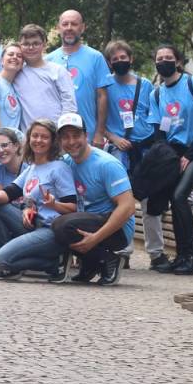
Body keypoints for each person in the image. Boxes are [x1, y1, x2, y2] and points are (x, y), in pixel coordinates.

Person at [145, 44, 193, 275]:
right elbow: (159, 131)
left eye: (168, 57)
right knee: (173, 201)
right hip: (173, 154)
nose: (163, 61)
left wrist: (190, 154)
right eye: (159, 57)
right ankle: (182, 255)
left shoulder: (192, 82)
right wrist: (167, 158)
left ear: (178, 62)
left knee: (179, 196)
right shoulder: (156, 93)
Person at [0, 118, 77, 281]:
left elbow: (73, 207)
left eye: (44, 137)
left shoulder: (59, 168)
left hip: (51, 230)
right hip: (33, 224)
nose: (38, 140)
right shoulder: (32, 167)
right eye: (35, 136)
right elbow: (11, 192)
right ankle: (6, 267)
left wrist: (54, 204)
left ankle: (54, 263)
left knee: (2, 259)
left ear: (52, 141)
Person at [53, 113, 136, 285]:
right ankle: (91, 264)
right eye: (65, 137)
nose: (71, 142)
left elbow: (128, 207)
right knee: (52, 221)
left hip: (115, 228)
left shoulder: (106, 164)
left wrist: (96, 238)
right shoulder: (65, 163)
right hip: (84, 219)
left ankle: (109, 259)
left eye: (76, 135)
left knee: (62, 225)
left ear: (86, 135)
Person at [0, 24, 77, 129]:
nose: (31, 48)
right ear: (20, 45)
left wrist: (62, 132)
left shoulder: (57, 71)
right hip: (28, 138)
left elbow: (69, 106)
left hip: (55, 134)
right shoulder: (17, 72)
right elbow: (1, 79)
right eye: (26, 44)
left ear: (44, 44)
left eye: (36, 43)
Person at [46, 10, 111, 147]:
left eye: (74, 24)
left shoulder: (95, 57)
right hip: (55, 135)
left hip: (87, 134)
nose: (69, 28)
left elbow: (102, 96)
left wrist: (100, 133)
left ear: (82, 28)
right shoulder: (48, 60)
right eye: (65, 24)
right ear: (58, 28)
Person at [101, 40, 153, 173]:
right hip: (119, 149)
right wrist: (114, 138)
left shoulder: (145, 85)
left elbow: (155, 117)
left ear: (131, 59)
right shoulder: (104, 86)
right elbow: (97, 120)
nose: (120, 61)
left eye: (123, 57)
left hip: (145, 148)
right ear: (109, 63)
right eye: (115, 59)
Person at [0, 127, 27, 257]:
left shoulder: (29, 167)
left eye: (4, 145)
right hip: (11, 217)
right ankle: (0, 258)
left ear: (15, 146)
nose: (1, 150)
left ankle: (4, 257)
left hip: (29, 219)